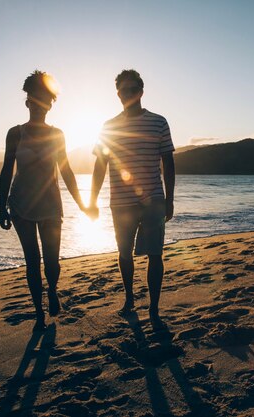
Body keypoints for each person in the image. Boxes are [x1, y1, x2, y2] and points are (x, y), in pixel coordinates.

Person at [0, 70, 87, 331]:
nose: (39, 106)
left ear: (50, 105)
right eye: (34, 100)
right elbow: (6, 170)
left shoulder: (57, 135)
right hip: (21, 205)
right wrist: (1, 206)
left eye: (45, 101)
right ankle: (38, 311)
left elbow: (66, 170)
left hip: (50, 204)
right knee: (32, 260)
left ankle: (52, 290)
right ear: (27, 103)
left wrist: (81, 203)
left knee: (52, 261)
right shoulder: (15, 133)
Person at [89, 69, 175, 328]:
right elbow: (100, 165)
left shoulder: (159, 122)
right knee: (124, 253)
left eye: (132, 88)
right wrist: (92, 200)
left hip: (153, 200)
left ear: (141, 90)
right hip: (122, 202)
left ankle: (154, 307)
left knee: (155, 254)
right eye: (123, 90)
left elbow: (168, 162)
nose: (128, 94)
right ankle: (129, 299)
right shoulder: (109, 126)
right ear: (118, 94)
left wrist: (170, 199)